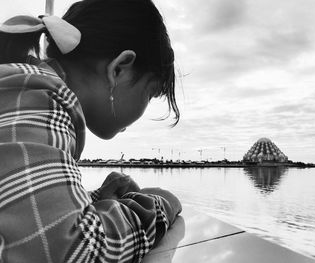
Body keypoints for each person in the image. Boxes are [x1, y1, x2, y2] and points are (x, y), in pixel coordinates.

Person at [0, 0, 182, 262]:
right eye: (150, 93)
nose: (144, 110)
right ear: (118, 68)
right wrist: (160, 205)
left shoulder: (23, 91)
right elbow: (66, 250)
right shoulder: (36, 97)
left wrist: (93, 199)